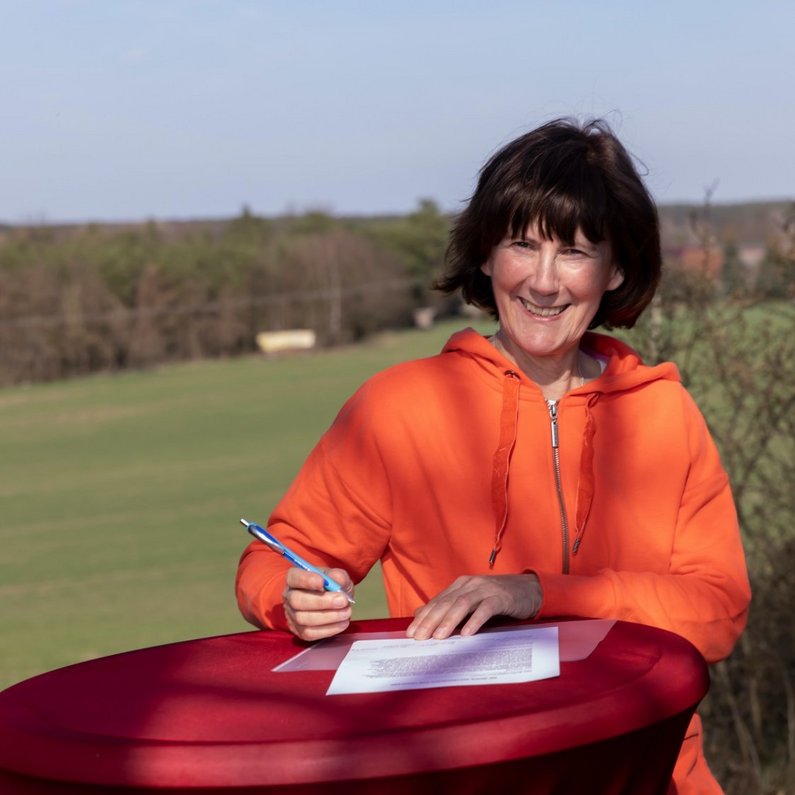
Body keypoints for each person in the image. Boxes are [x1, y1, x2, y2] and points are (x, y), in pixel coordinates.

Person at [236, 118, 751, 794]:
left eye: (573, 251)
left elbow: (715, 612)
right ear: (484, 254)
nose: (542, 281)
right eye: (521, 244)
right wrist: (293, 597)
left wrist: (539, 593)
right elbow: (274, 558)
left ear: (616, 268)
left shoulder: (666, 415)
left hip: (651, 778)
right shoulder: (397, 409)